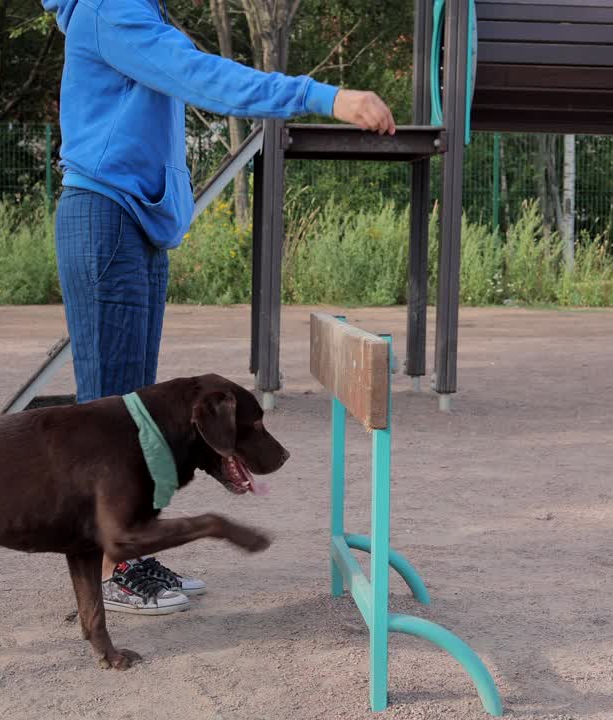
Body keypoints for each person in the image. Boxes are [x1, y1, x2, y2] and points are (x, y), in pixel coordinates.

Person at [42, 0, 396, 615]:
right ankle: (112, 568)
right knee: (108, 417)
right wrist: (325, 95)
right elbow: (205, 77)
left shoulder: (132, 12)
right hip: (105, 219)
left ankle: (124, 555)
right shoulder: (111, 9)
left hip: (133, 221)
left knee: (131, 407)